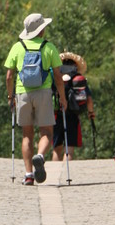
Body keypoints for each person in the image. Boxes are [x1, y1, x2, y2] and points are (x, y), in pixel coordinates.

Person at [4, 12, 67, 185]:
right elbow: (58, 76)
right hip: (44, 93)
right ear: (41, 30)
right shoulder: (49, 47)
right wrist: (62, 98)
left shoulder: (17, 47)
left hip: (22, 93)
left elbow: (9, 76)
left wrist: (11, 97)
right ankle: (39, 155)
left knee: (27, 135)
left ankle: (28, 175)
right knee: (46, 131)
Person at [52, 51, 96, 161]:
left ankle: (55, 175)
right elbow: (89, 99)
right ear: (75, 65)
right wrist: (90, 112)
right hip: (73, 115)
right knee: (69, 150)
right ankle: (67, 175)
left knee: (56, 149)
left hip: (56, 115)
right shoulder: (78, 78)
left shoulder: (56, 77)